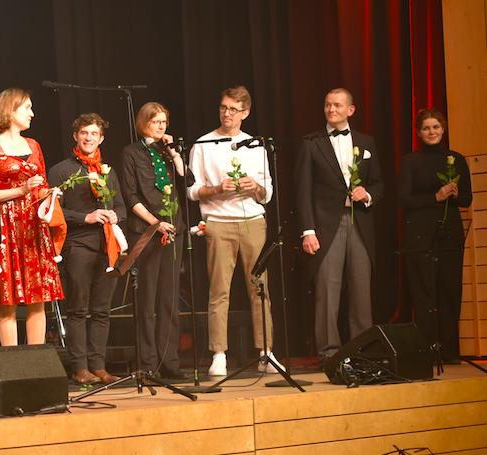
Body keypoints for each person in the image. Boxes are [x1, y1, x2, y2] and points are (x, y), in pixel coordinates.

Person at [187, 86, 283, 376]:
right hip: (218, 223)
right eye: (223, 107)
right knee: (219, 290)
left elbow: (267, 193)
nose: (226, 113)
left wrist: (255, 187)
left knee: (259, 287)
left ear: (245, 113)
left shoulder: (256, 145)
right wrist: (217, 189)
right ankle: (219, 354)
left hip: (253, 221)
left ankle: (266, 352)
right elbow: (191, 190)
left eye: (233, 109)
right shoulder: (203, 144)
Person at [294, 88, 384, 366]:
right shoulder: (311, 142)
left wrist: (367, 194)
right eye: (327, 105)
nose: (331, 109)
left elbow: (378, 183)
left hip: (359, 222)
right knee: (327, 292)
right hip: (325, 226)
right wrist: (308, 230)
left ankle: (362, 351)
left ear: (350, 110)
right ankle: (329, 355)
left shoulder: (366, 142)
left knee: (361, 291)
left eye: (337, 105)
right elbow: (302, 191)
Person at [0, 88, 64, 346]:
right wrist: (21, 190)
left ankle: (36, 361)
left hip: (33, 226)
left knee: (38, 298)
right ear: (11, 110)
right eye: (27, 107)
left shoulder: (33, 145)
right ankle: (12, 363)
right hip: (6, 226)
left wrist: (49, 194)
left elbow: (41, 184)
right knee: (8, 301)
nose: (32, 113)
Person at [48, 113, 127, 385]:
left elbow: (121, 207)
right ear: (75, 136)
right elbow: (53, 212)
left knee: (102, 311)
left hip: (107, 247)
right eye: (84, 133)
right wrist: (86, 217)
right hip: (77, 245)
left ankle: (99, 366)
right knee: (78, 309)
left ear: (101, 138)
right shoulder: (60, 171)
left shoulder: (107, 170)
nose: (89, 138)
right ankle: (80, 368)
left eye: (94, 134)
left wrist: (116, 215)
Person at [398, 108, 471, 364]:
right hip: (420, 231)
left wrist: (454, 195)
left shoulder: (457, 159)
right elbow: (403, 200)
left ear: (443, 129)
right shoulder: (411, 160)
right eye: (426, 128)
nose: (432, 132)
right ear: (419, 132)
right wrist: (435, 197)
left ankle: (448, 350)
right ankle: (425, 350)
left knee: (450, 290)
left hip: (450, 229)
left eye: (436, 127)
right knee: (424, 292)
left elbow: (467, 199)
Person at [121, 101, 187, 378]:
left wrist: (174, 153)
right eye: (155, 122)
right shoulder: (131, 153)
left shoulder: (168, 152)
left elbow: (186, 179)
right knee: (147, 300)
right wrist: (154, 222)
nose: (161, 127)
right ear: (144, 123)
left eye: (164, 122)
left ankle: (170, 362)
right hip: (146, 231)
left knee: (169, 299)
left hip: (174, 230)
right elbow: (130, 195)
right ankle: (148, 363)